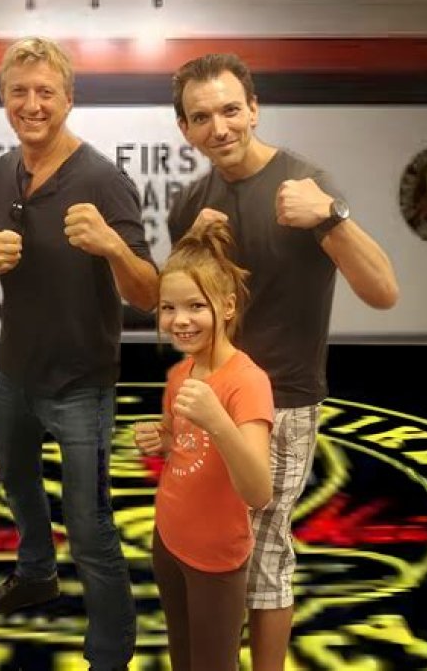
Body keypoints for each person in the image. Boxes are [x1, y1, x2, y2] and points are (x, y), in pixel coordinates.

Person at [167, 53, 399, 671]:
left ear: (254, 109)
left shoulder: (307, 184)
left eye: (230, 110)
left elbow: (383, 292)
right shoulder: (191, 201)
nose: (219, 127)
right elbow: (187, 306)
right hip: (212, 394)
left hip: (284, 399)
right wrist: (190, 243)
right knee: (211, 541)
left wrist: (332, 217)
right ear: (185, 129)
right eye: (201, 117)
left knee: (263, 551)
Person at [0, 36, 158, 670]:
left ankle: (110, 654)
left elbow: (150, 294)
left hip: (82, 382)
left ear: (68, 99)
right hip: (15, 374)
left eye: (46, 92)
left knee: (90, 528)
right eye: (20, 92)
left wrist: (112, 247)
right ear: (3, 99)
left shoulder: (103, 179)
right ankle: (36, 574)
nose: (32, 104)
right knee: (15, 482)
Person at [135, 219, 273, 671]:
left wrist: (217, 420)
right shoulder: (181, 373)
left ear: (228, 307)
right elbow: (187, 443)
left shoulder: (248, 382)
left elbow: (259, 491)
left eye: (196, 305)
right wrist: (163, 439)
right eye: (168, 308)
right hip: (168, 539)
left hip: (216, 555)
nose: (180, 320)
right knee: (182, 658)